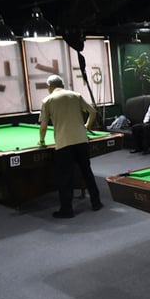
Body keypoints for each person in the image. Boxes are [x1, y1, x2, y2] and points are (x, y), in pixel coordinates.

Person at [38, 74, 103, 219]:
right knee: (87, 172)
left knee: (65, 177)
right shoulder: (75, 95)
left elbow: (43, 126)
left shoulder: (47, 100)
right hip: (82, 141)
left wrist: (41, 141)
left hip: (64, 144)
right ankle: (96, 202)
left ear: (50, 87)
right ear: (62, 85)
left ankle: (67, 210)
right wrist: (86, 126)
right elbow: (93, 112)